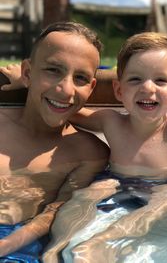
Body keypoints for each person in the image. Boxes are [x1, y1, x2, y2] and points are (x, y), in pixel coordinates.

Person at [2, 32, 167, 263]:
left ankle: (100, 241)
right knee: (78, 202)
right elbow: (67, 107)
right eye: (135, 79)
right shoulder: (111, 122)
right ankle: (56, 249)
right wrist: (31, 83)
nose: (148, 87)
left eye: (160, 80)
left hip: (165, 186)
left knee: (166, 197)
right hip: (115, 181)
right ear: (119, 90)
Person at [0, 21, 109, 261]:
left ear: (91, 88)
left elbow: (57, 210)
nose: (66, 89)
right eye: (53, 70)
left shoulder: (88, 152)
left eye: (80, 78)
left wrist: (6, 245)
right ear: (27, 73)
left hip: (20, 244)